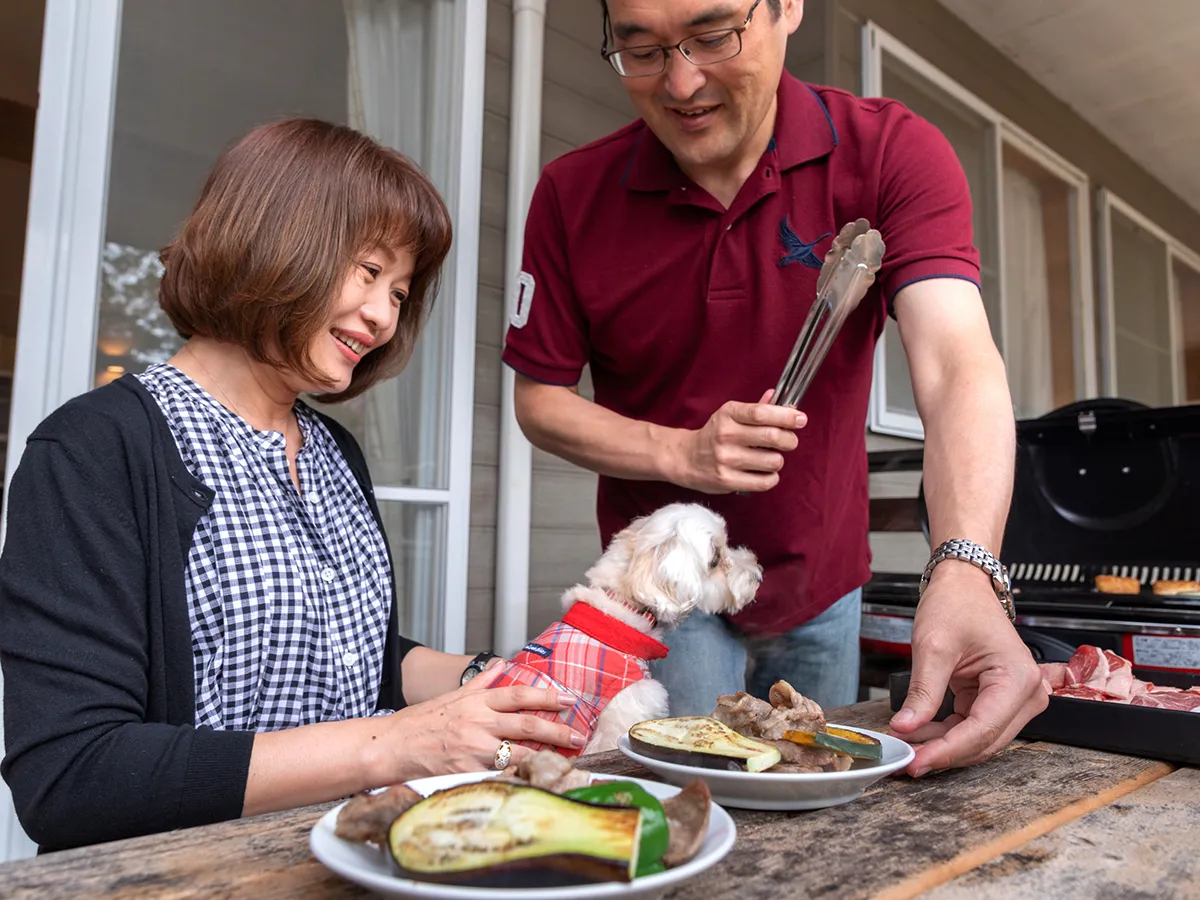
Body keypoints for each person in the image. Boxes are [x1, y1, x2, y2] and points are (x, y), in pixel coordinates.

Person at [0, 117, 581, 853]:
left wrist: (489, 682)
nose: (381, 317)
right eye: (369, 273)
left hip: (352, 855)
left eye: (400, 293)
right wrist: (394, 744)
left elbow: (340, 651)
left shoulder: (335, 452)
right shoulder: (94, 449)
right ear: (276, 236)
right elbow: (73, 776)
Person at [501, 0, 1047, 779]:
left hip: (824, 578)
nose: (682, 82)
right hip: (669, 594)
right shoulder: (570, 194)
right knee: (694, 804)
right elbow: (540, 401)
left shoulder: (888, 150)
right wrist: (682, 452)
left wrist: (965, 564)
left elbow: (958, 364)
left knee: (811, 796)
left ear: (788, 7)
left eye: (714, 35)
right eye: (642, 51)